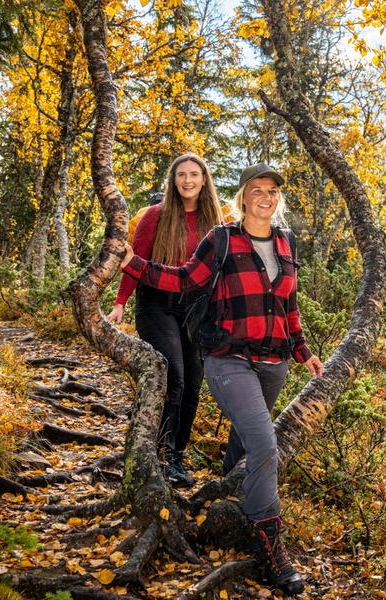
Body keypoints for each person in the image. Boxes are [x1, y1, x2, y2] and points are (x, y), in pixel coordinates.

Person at [120, 162, 323, 596]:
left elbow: (289, 305)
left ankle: (226, 505)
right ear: (243, 196)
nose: (265, 198)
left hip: (275, 361)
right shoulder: (223, 238)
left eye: (272, 191)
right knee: (265, 441)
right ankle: (270, 543)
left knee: (244, 444)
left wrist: (303, 350)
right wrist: (135, 265)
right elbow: (183, 279)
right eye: (257, 190)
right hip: (228, 357)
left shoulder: (286, 243)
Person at [107, 153, 223, 488]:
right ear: (173, 181)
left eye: (194, 175)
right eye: (181, 175)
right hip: (156, 303)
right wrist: (119, 302)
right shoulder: (157, 215)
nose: (187, 180)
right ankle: (158, 451)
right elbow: (134, 260)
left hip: (194, 308)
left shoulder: (214, 220)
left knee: (194, 382)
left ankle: (176, 456)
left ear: (204, 180)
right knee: (174, 374)